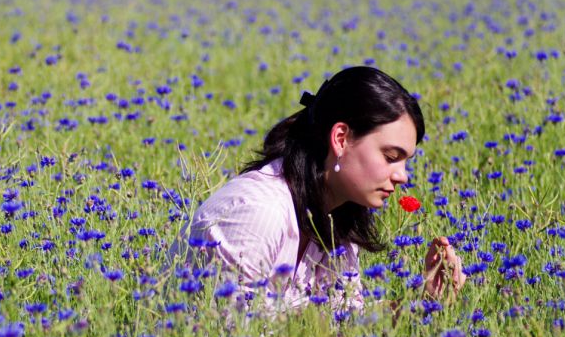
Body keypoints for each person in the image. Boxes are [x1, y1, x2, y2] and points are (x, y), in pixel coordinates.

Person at [175, 66, 466, 321]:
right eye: (390, 157)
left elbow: (347, 322)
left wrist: (423, 302)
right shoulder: (258, 211)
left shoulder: (336, 216)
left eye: (405, 162)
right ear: (341, 139)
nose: (402, 176)